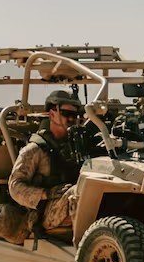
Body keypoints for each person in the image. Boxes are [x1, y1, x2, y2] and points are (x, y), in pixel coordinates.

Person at [7, 90, 89, 231]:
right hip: (46, 212)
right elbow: (15, 187)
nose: (71, 118)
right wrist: (46, 193)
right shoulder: (35, 149)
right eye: (66, 114)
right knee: (79, 192)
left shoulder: (78, 145)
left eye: (75, 115)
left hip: (72, 205)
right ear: (52, 114)